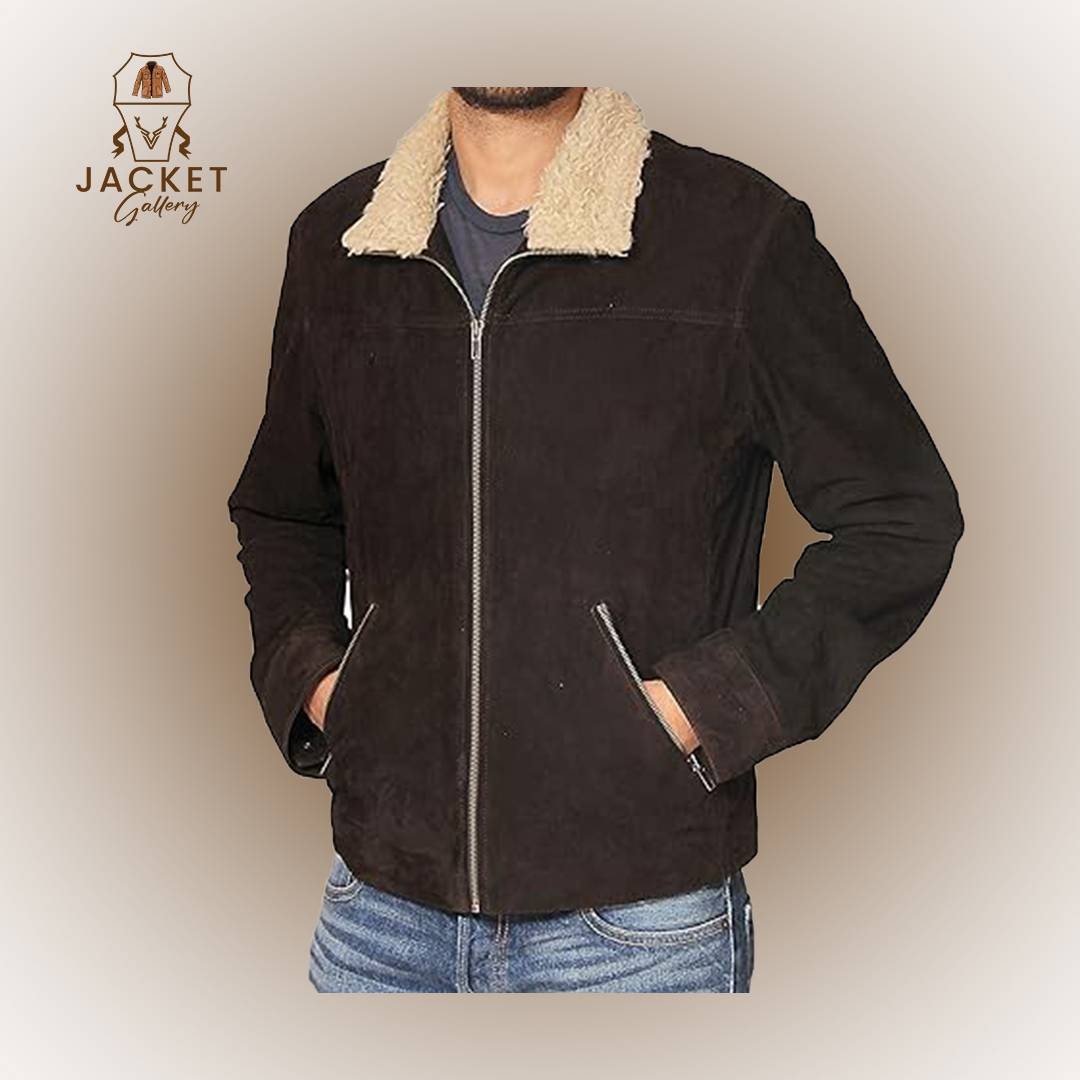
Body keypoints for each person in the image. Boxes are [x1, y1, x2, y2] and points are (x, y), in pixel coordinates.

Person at [226, 86, 964, 993]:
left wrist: (708, 705)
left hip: (640, 931)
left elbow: (902, 512)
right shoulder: (337, 243)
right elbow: (283, 510)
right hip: (379, 918)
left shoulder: (736, 235)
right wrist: (320, 686)